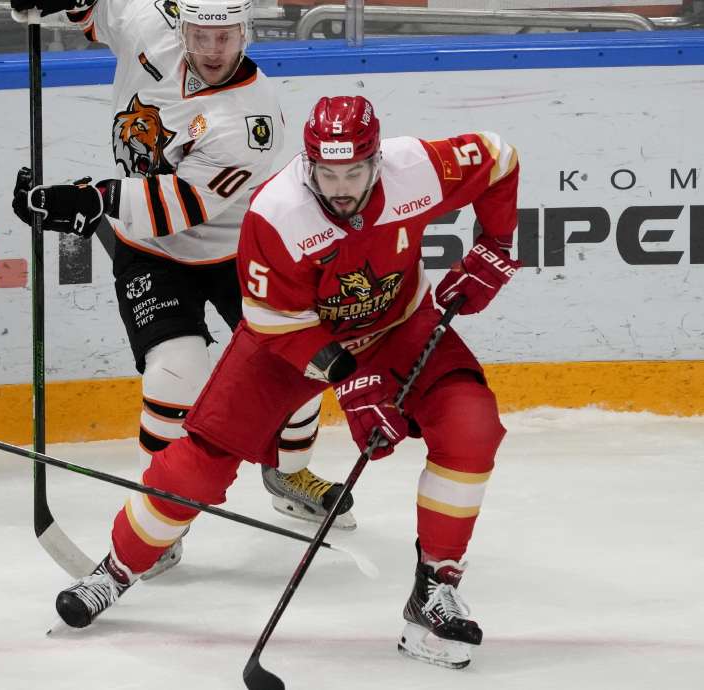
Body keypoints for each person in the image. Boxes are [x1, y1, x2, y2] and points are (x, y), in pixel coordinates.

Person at [52, 95, 520, 670]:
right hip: (289, 341)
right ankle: (117, 568)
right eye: (327, 173)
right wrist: (354, 384)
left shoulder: (417, 168)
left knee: (472, 427)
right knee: (198, 466)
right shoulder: (278, 212)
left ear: (377, 161)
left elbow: (500, 158)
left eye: (354, 172)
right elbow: (274, 322)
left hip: (396, 325)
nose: (341, 188)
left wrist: (496, 245)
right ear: (308, 163)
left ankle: (434, 589)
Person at [9, 0, 356, 578]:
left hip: (240, 247)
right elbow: (96, 11)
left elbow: (180, 205)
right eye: (201, 35)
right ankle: (160, 517)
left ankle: (289, 472)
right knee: (175, 375)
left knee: (300, 363)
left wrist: (88, 200)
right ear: (180, 25)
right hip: (152, 252)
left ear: (246, 31)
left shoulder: (251, 117)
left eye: (226, 36)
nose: (214, 50)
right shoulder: (147, 24)